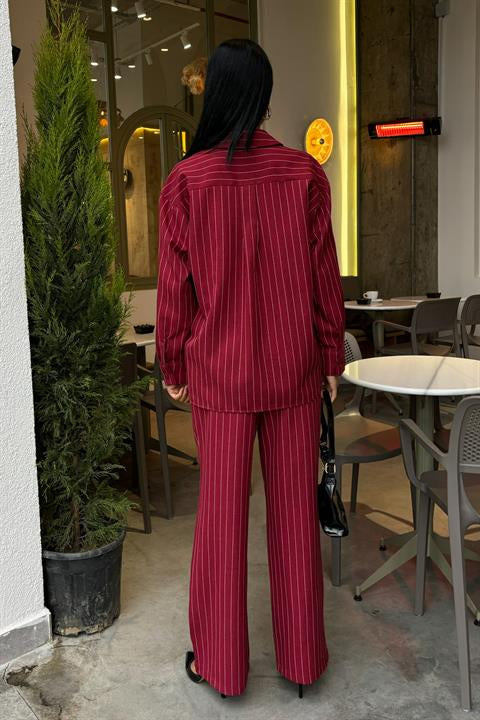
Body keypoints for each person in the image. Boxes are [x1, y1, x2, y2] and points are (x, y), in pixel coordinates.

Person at [156, 38, 345, 700]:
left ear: (214, 94)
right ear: (263, 99)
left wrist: (172, 359)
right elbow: (325, 278)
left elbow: (174, 289)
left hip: (222, 375)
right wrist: (330, 354)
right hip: (293, 373)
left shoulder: (187, 181)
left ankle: (221, 666)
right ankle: (302, 663)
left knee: (220, 523)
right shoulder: (304, 175)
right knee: (294, 521)